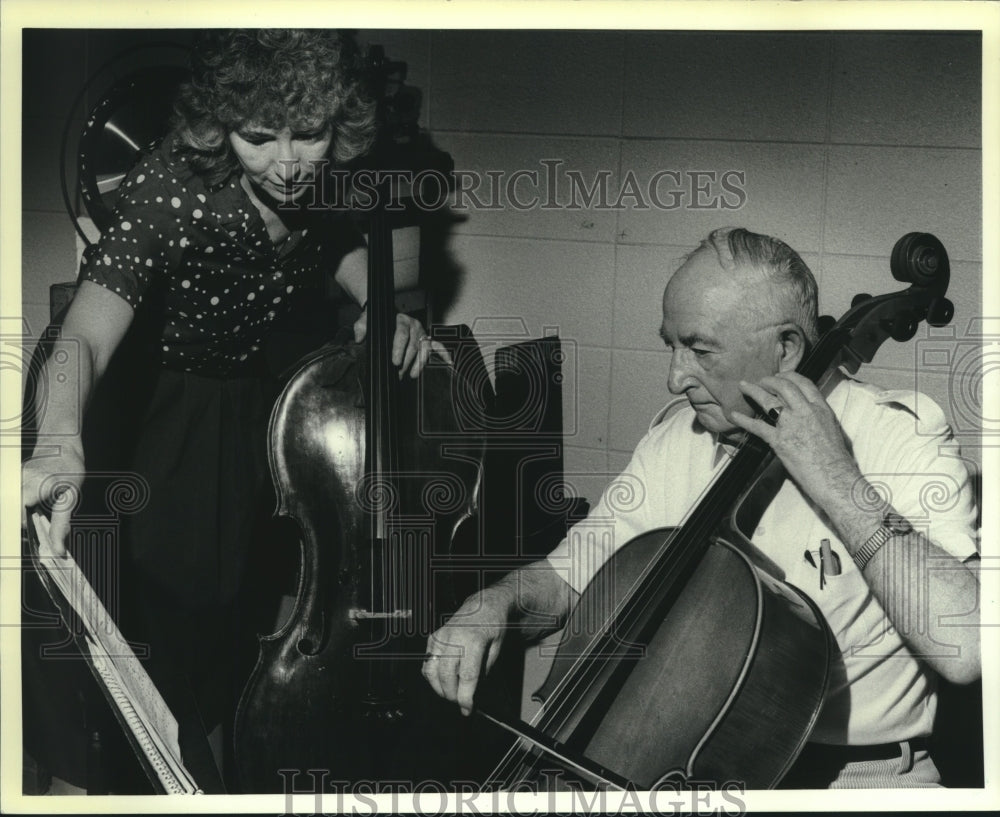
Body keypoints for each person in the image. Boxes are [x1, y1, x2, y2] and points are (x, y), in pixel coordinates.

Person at [21, 29, 444, 792]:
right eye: (259, 137)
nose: (288, 164)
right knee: (109, 626)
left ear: (337, 125)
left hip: (231, 398)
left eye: (309, 135)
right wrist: (56, 441)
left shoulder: (320, 183)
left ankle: (195, 777)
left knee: (217, 615)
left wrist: (385, 311)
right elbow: (84, 329)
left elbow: (347, 252)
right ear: (220, 128)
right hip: (130, 399)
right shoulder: (169, 186)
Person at [422, 226, 981, 789]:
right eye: (671, 344)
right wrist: (495, 604)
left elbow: (968, 648)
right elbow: (569, 578)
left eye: (699, 348)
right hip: (669, 765)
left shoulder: (899, 436)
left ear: (786, 350)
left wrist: (837, 479)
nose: (674, 377)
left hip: (855, 778)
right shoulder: (678, 437)